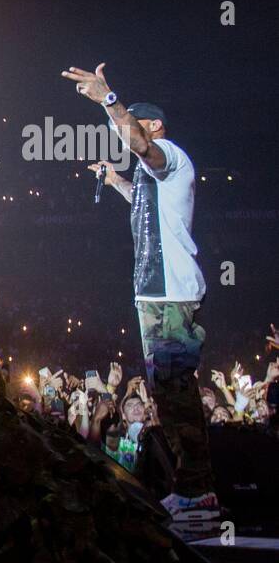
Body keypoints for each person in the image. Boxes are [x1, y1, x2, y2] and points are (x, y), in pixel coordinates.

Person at [64, 63, 217, 524]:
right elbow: (142, 200)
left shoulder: (168, 153)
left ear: (151, 124)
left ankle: (200, 490)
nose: (124, 135)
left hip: (171, 293)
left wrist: (110, 101)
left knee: (176, 391)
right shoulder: (153, 181)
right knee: (167, 393)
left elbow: (141, 145)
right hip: (154, 295)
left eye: (133, 123)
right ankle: (192, 488)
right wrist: (114, 181)